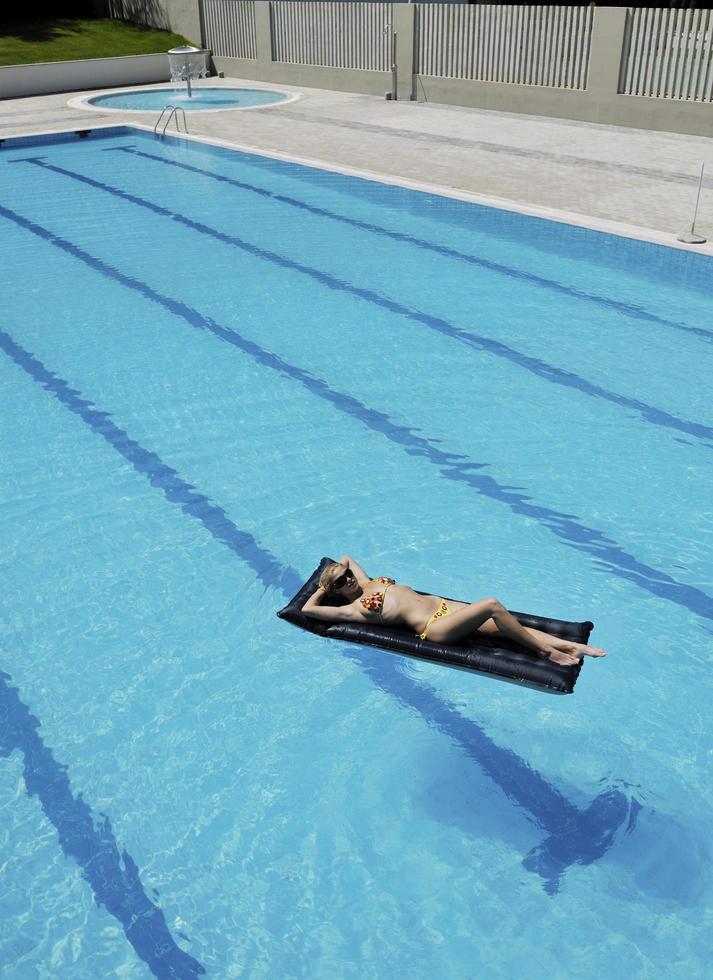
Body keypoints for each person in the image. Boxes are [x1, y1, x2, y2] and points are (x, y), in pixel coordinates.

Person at [302, 555, 605, 666]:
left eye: (348, 575)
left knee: (504, 623)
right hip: (434, 628)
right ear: (336, 591)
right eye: (342, 581)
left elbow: (345, 556)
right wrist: (323, 587)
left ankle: (569, 643)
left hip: (445, 607)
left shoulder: (365, 582)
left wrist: (336, 571)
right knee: (492, 605)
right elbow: (308, 609)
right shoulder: (352, 610)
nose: (349, 578)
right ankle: (546, 652)